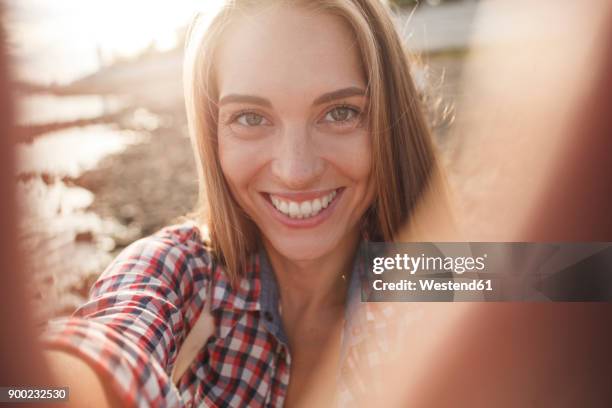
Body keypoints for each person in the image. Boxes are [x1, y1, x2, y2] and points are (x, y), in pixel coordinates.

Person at [41, 0, 444, 406]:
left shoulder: (443, 274)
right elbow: (108, 344)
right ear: (212, 134)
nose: (295, 170)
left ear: (390, 121)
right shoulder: (179, 271)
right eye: (251, 118)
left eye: (340, 112)